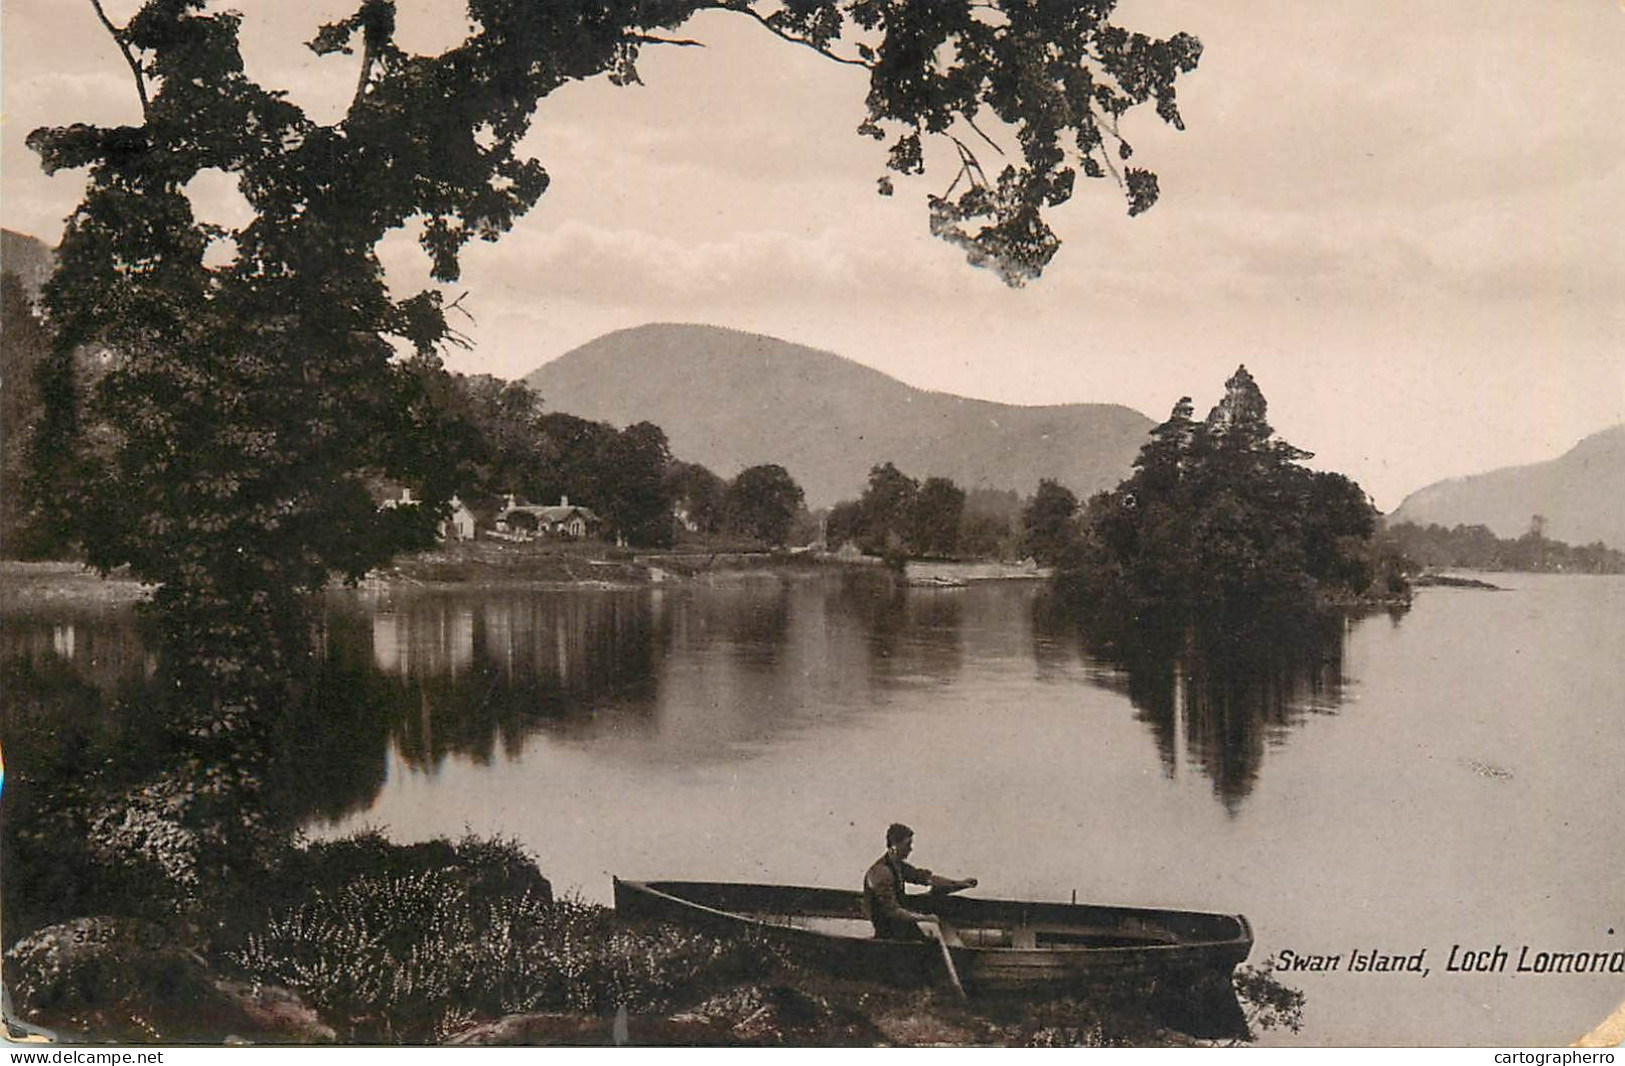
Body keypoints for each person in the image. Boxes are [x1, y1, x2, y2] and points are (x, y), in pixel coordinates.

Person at [863, 822, 977, 942]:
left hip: (899, 922)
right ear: (895, 845)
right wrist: (925, 918)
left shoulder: (899, 867)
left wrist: (960, 884)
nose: (911, 849)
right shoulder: (881, 872)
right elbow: (892, 911)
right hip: (889, 930)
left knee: (936, 897)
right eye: (907, 844)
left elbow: (928, 879)